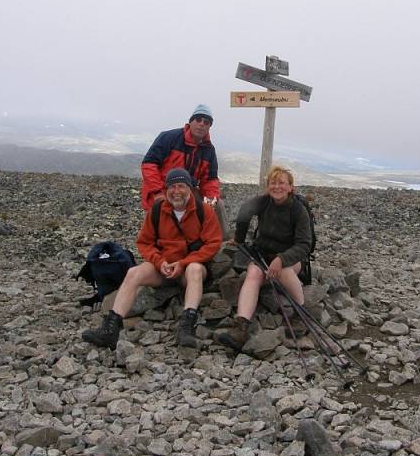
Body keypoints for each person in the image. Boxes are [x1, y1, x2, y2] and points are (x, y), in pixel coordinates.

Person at [82, 168, 222, 350]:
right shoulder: (157, 210)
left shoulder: (204, 211)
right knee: (134, 273)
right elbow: (144, 242)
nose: (176, 191)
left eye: (181, 186)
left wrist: (183, 263)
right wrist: (159, 262)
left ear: (190, 189)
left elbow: (212, 244)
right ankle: (111, 328)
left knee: (195, 269)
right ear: (166, 189)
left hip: (188, 271)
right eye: (172, 186)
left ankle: (186, 327)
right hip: (162, 268)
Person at [218, 166, 312, 352]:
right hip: (263, 256)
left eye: (281, 183)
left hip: (291, 260)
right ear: (268, 186)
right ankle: (241, 326)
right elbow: (245, 212)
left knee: (284, 271)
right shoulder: (263, 202)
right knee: (253, 272)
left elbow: (304, 245)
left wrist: (281, 259)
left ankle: (300, 315)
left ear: (290, 187)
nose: (277, 187)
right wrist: (238, 239)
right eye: (273, 183)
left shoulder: (299, 211)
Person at [140, 103, 230, 239]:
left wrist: (211, 199)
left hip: (188, 191)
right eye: (198, 120)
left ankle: (221, 243)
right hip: (162, 189)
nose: (201, 124)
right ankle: (157, 245)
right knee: (164, 213)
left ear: (209, 127)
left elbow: (210, 179)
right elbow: (149, 165)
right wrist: (157, 192)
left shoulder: (208, 150)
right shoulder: (169, 138)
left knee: (218, 205)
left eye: (206, 122)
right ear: (190, 122)